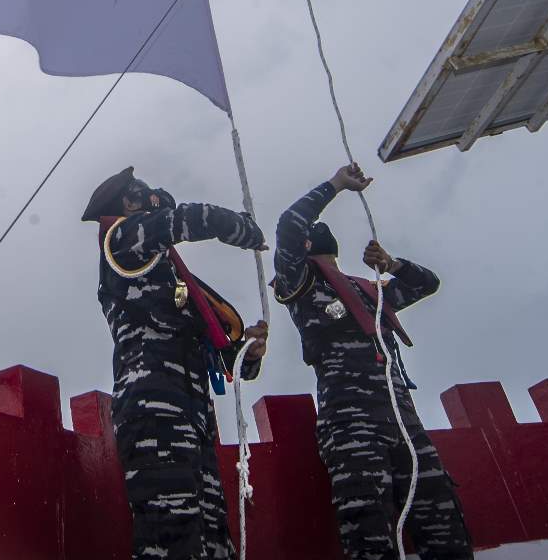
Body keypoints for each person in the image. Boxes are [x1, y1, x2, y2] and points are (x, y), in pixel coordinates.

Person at [272, 163, 473, 560]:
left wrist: (392, 265)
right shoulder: (301, 283)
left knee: (444, 525)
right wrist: (335, 185)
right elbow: (289, 225)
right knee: (370, 537)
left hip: (403, 421)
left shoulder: (366, 291)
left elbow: (426, 283)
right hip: (352, 423)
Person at [82, 166, 270, 560]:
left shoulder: (170, 275)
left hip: (193, 412)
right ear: (130, 203)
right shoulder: (122, 240)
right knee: (172, 539)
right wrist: (241, 228)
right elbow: (182, 220)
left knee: (214, 541)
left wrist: (246, 354)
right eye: (145, 194)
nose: (155, 197)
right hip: (155, 408)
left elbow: (218, 357)